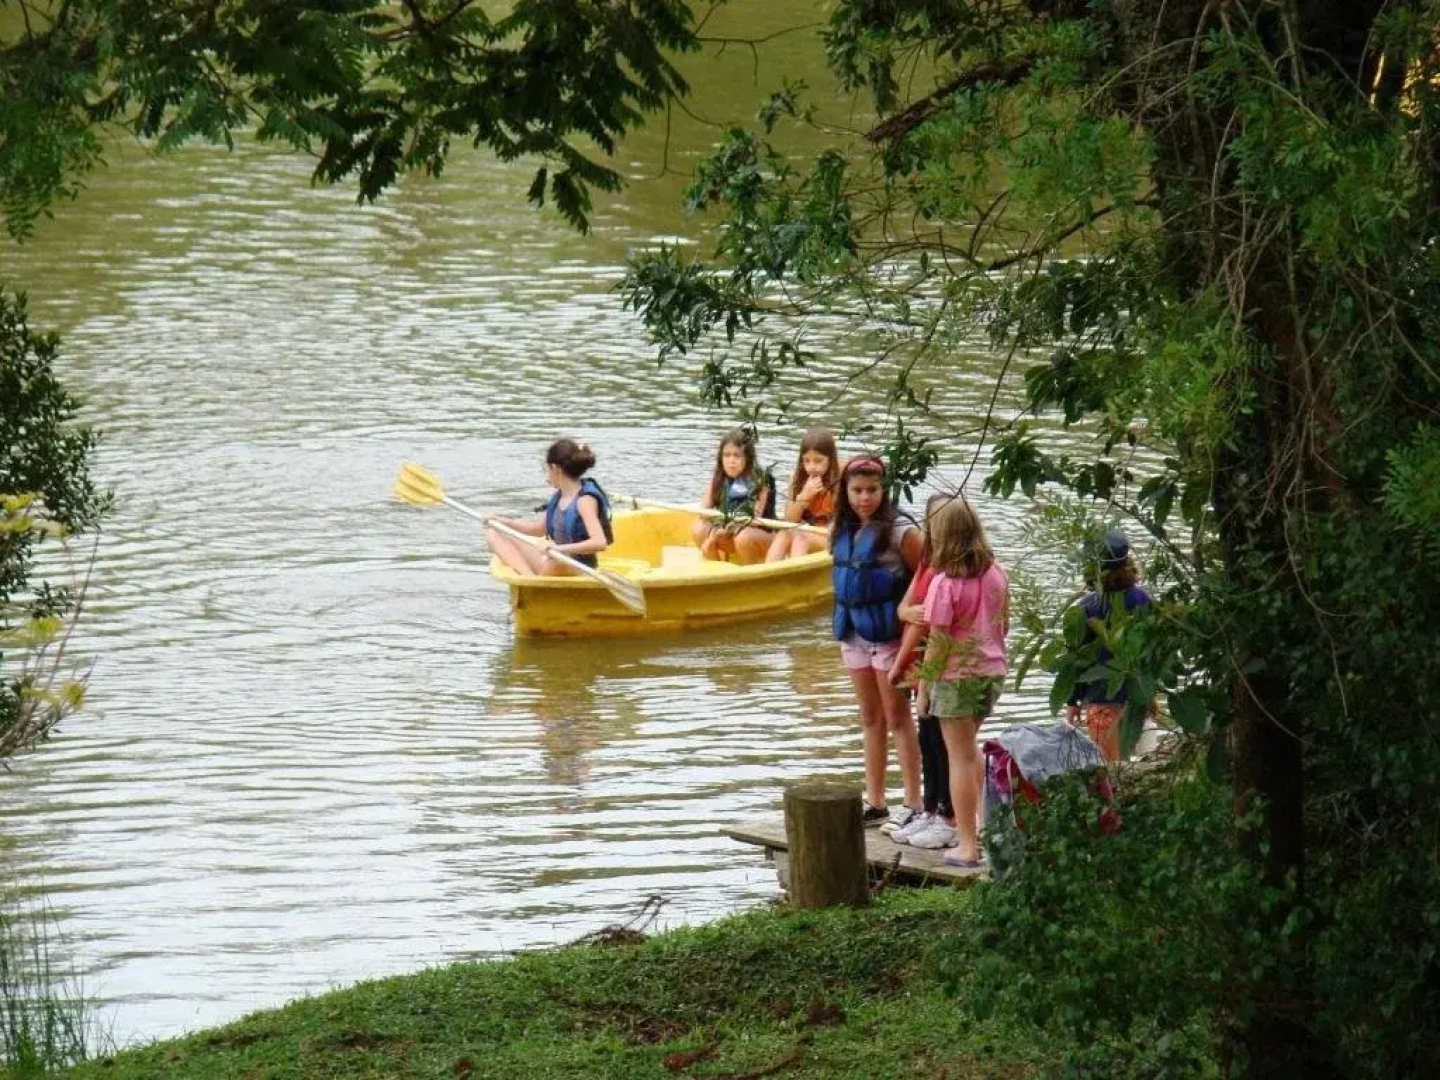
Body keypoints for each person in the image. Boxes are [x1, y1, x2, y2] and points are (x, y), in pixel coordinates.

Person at [831, 455, 924, 830]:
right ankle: (876, 801)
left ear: (884, 489)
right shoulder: (840, 526)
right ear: (846, 491)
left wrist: (916, 637)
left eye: (872, 490)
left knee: (900, 719)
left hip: (890, 637)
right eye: (857, 490)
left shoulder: (902, 531)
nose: (864, 498)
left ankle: (914, 802)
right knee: (870, 717)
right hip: (853, 633)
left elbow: (927, 577)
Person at [917, 494, 1009, 869]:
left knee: (958, 757)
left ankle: (968, 845)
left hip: (956, 679)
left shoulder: (945, 583)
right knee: (970, 752)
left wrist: (924, 687)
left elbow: (938, 642)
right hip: (992, 672)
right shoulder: (996, 572)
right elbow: (1005, 623)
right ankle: (988, 832)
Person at [885, 492, 957, 848]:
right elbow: (906, 608)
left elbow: (926, 620)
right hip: (920, 660)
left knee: (945, 742)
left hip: (939, 662)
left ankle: (949, 814)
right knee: (927, 737)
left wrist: (898, 667)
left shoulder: (951, 570)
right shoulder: (929, 559)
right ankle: (929, 809)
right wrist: (906, 612)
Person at [1064, 528, 1153, 763]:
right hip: (1137, 698)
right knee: (1141, 764)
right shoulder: (1143, 601)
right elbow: (1152, 651)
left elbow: (1077, 660)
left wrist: (1072, 702)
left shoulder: (1086, 608)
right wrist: (1152, 694)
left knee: (1109, 772)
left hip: (1101, 702)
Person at [485, 439, 612, 576]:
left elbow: (599, 542)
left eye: (547, 470)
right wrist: (504, 522)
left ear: (555, 469)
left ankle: (537, 582)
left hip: (579, 568)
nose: (547, 478)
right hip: (556, 558)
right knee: (494, 532)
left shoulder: (585, 501)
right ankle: (529, 579)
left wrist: (559, 549)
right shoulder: (559, 497)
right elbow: (538, 529)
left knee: (555, 559)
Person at [692, 428, 775, 564]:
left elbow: (754, 517)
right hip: (728, 530)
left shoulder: (761, 481)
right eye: (726, 455)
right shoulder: (718, 479)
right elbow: (704, 511)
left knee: (744, 537)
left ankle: (752, 573)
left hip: (759, 533)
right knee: (699, 528)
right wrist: (715, 532)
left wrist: (725, 530)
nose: (731, 461)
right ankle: (718, 568)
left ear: (748, 458)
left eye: (737, 455)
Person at [766, 429, 840, 562]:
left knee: (801, 537)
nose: (811, 467)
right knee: (785, 532)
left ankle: (796, 576)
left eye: (818, 461)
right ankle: (766, 574)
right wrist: (804, 497)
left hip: (829, 537)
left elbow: (840, 523)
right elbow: (790, 520)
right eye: (806, 461)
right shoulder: (796, 480)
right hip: (806, 531)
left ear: (830, 459)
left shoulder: (839, 483)